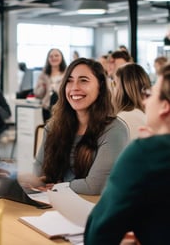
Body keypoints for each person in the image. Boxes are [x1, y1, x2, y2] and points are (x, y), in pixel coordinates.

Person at [84, 63, 170, 244]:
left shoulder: (147, 152)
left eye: (151, 94)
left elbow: (98, 235)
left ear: (165, 106)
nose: (145, 100)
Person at [33, 58, 129, 195]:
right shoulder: (54, 126)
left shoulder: (114, 130)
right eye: (69, 81)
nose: (74, 87)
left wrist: (56, 186)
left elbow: (95, 186)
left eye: (83, 80)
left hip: (94, 210)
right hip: (54, 206)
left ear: (100, 86)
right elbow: (38, 173)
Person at [113, 63, 151, 141]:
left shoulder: (122, 120)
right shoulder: (149, 115)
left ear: (122, 89)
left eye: (115, 84)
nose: (113, 89)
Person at [34, 48, 67, 122]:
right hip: (46, 107)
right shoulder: (43, 74)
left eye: (56, 55)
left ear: (61, 57)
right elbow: (37, 93)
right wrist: (43, 86)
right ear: (48, 59)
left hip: (62, 107)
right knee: (48, 130)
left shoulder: (67, 73)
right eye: (51, 56)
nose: (54, 58)